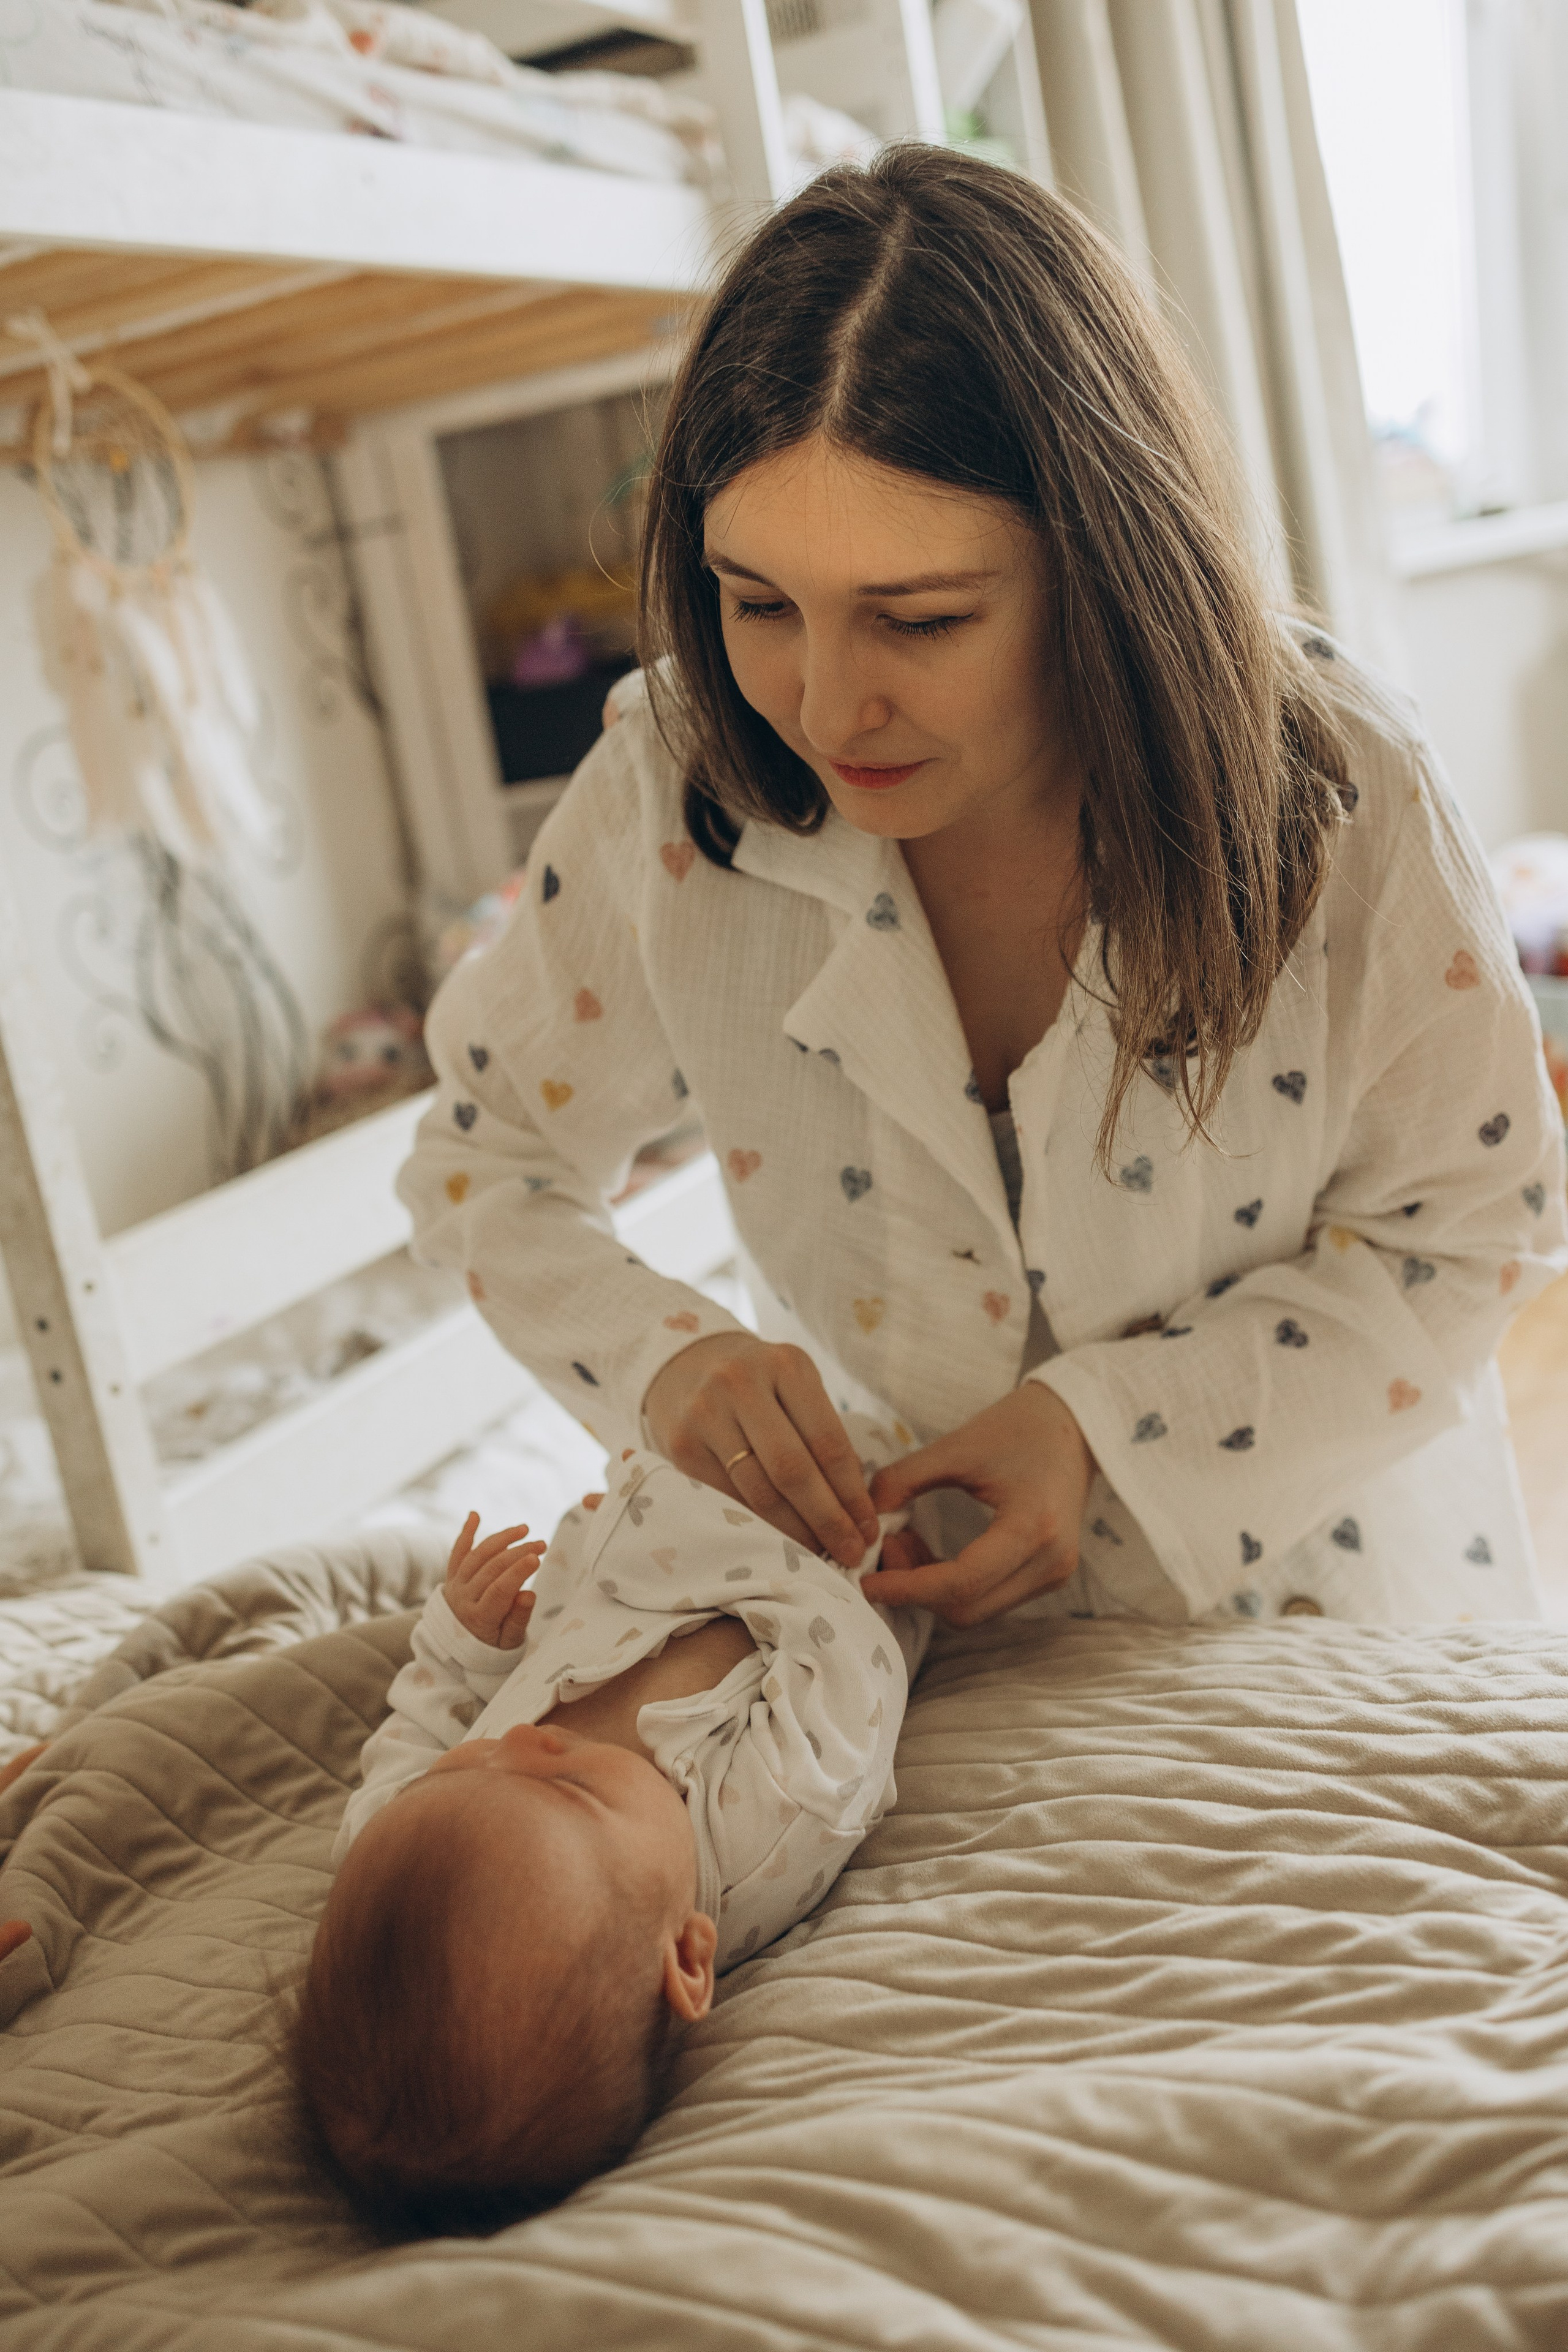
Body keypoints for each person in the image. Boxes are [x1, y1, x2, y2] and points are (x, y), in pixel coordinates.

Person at [400, 144, 1566, 1631]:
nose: (822, 708)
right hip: (872, 1632)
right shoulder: (669, 792)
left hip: (1304, 1597)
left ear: (1103, 573)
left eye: (919, 619)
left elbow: (1475, 1223)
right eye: (757, 605)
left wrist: (1105, 1429)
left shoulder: (1337, 785)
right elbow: (481, 1161)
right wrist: (662, 1360)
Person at [296, 1416, 929, 2231]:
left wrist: (465, 1642)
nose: (519, 1740)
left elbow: (424, 1722)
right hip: (826, 1555)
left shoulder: (397, 1836)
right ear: (689, 1957)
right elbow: (850, 1657)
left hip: (633, 1558)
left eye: (465, 1767)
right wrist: (717, 1531)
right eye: (571, 1789)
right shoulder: (768, 1826)